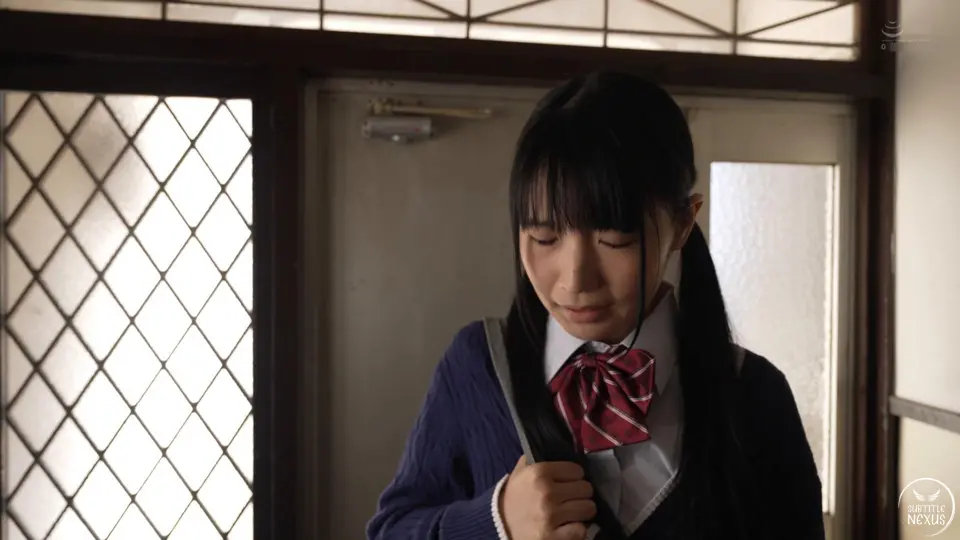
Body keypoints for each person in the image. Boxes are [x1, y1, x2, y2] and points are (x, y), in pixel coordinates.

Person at [366, 71, 824, 540]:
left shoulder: (755, 394)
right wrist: (494, 520)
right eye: (544, 237)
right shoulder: (477, 366)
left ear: (683, 223)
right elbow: (390, 530)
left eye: (614, 239)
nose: (575, 280)